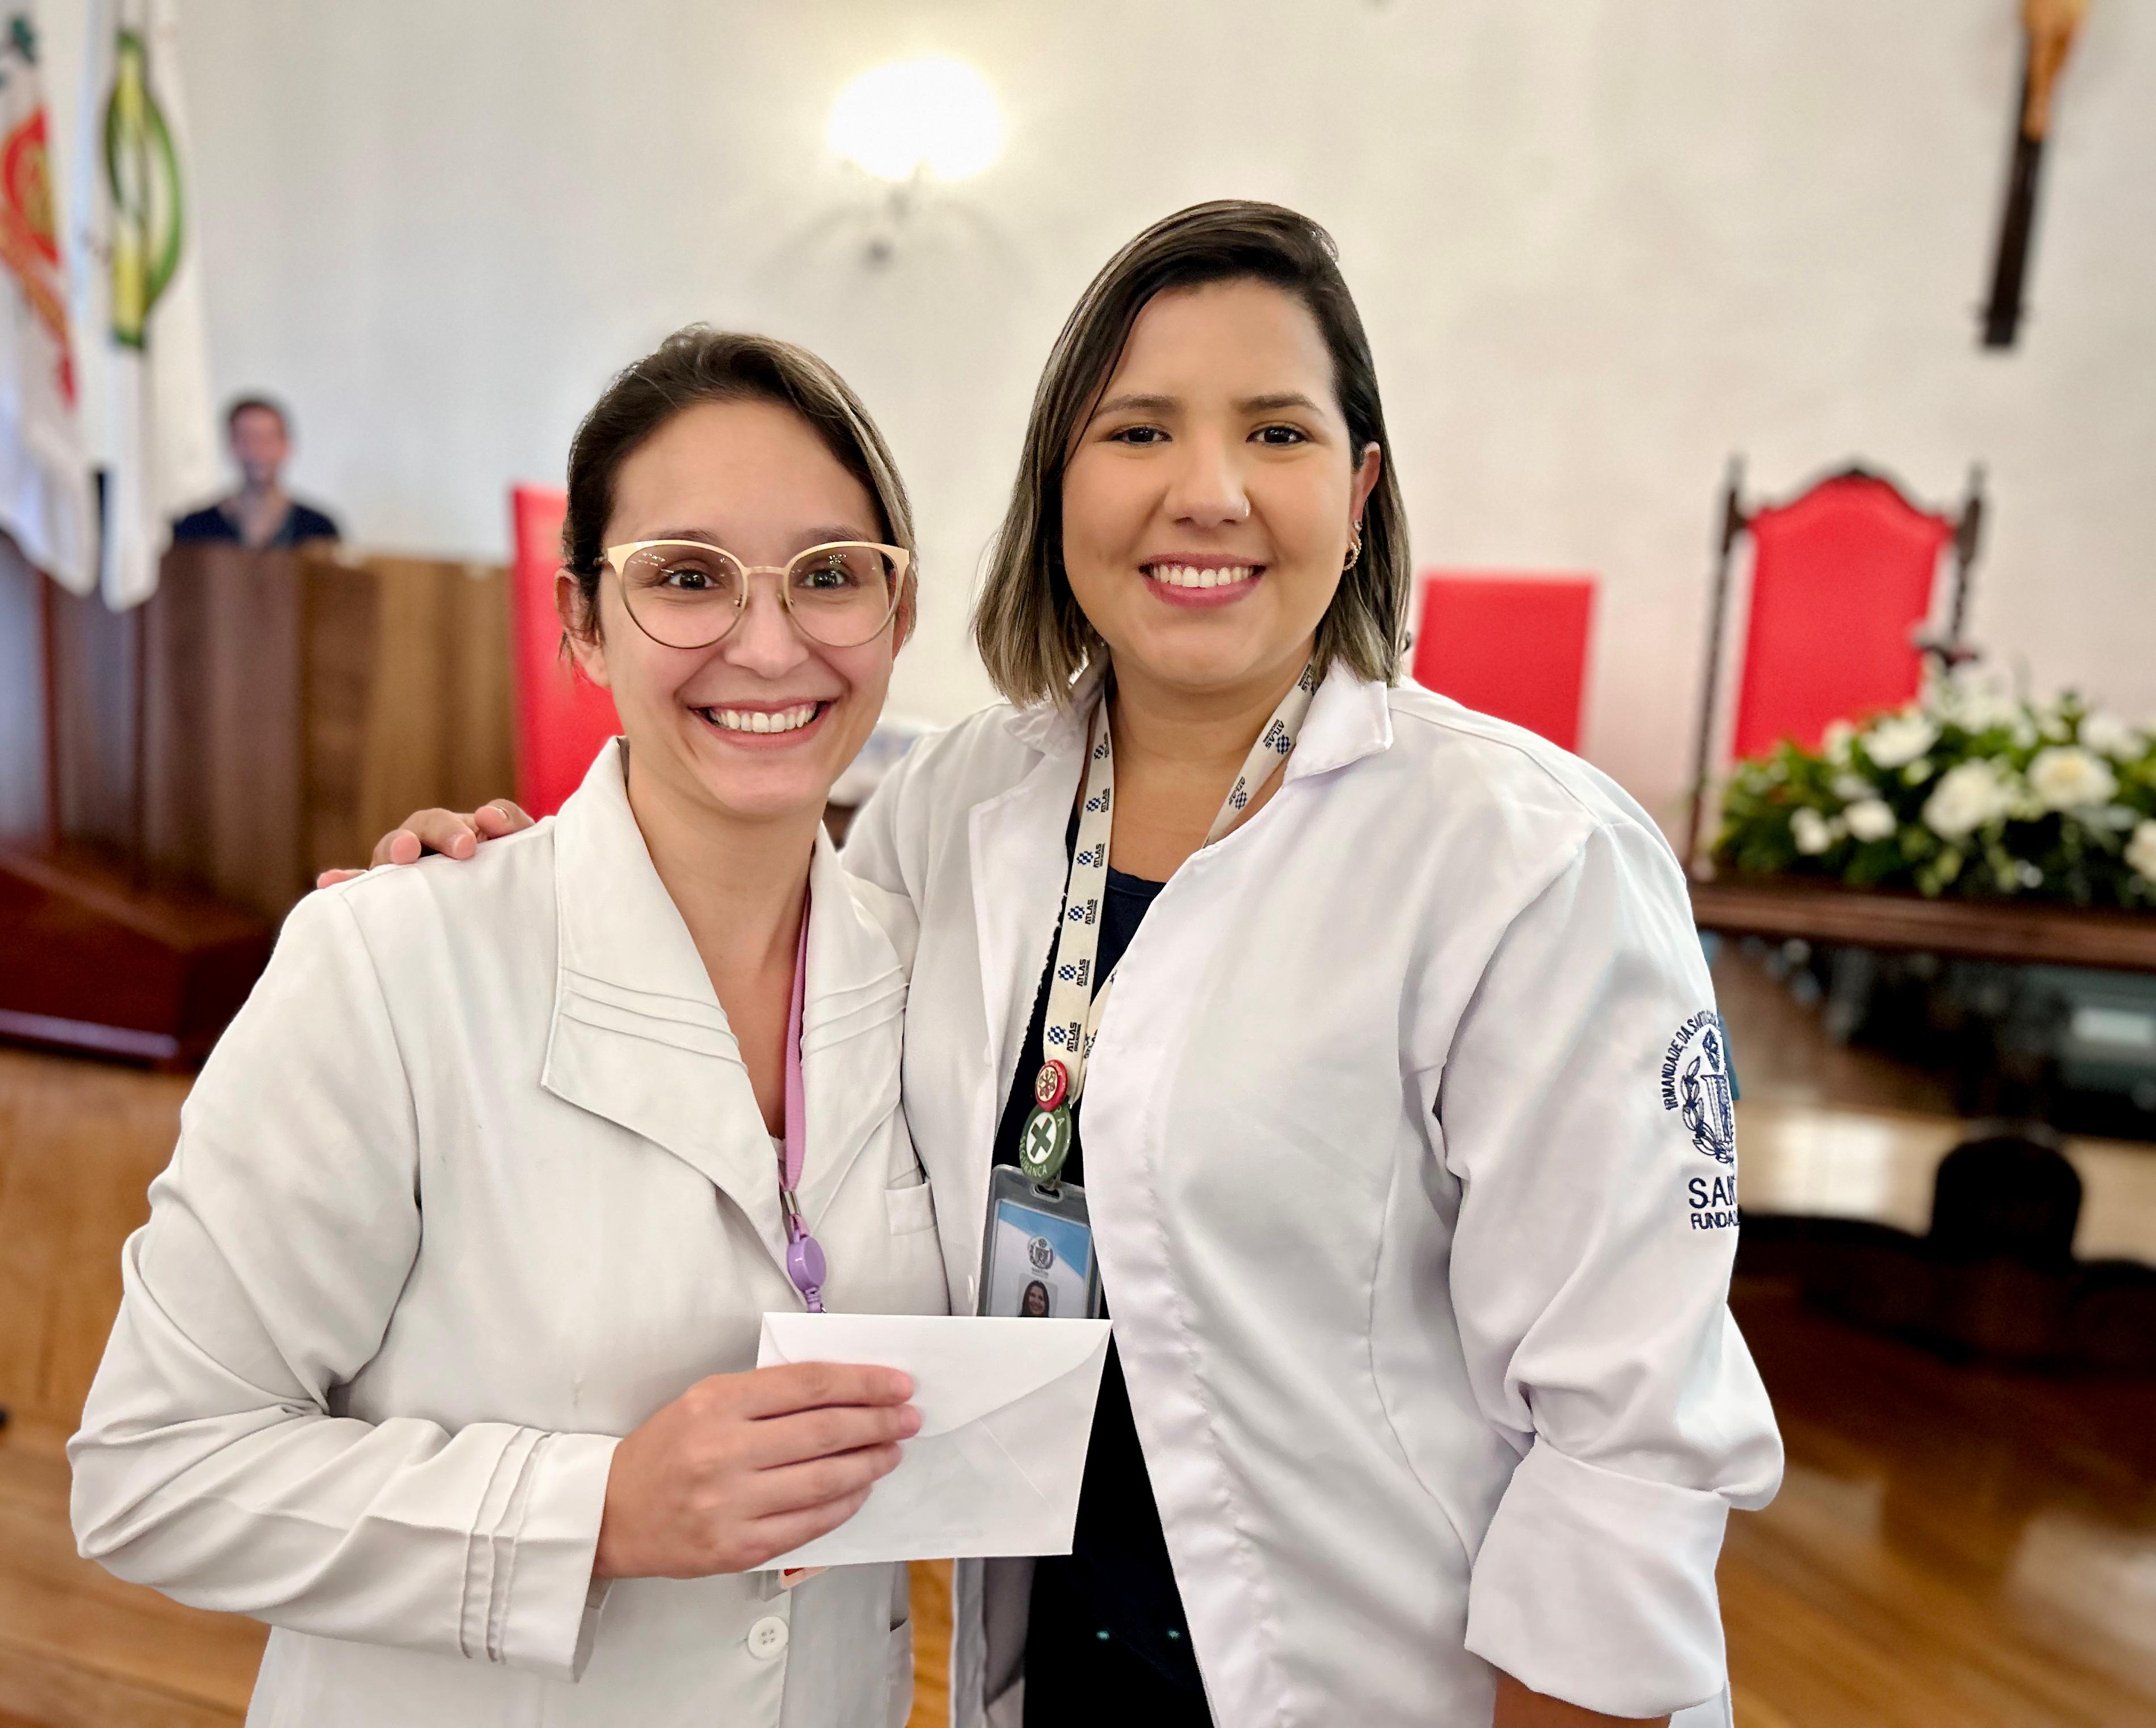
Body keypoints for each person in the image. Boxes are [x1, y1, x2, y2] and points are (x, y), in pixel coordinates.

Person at [337, 203, 1783, 1728]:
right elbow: (745, 1004)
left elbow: (1631, 1443)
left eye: (1278, 434)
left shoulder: (1526, 864)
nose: (1207, 493)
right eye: (1139, 431)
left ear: (1359, 494)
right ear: (1059, 486)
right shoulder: (960, 804)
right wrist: (510, 892)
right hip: (1050, 1675)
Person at [70, 329, 953, 1727]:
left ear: (898, 614)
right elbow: (154, 1471)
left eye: (831, 574)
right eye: (686, 576)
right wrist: (594, 1513)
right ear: (583, 621)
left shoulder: (936, 981)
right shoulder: (393, 958)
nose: (769, 641)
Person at [172, 394, 343, 548]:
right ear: (232, 445)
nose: (258, 450)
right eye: (247, 438)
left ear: (286, 446)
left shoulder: (319, 530)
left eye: (268, 439)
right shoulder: (194, 529)